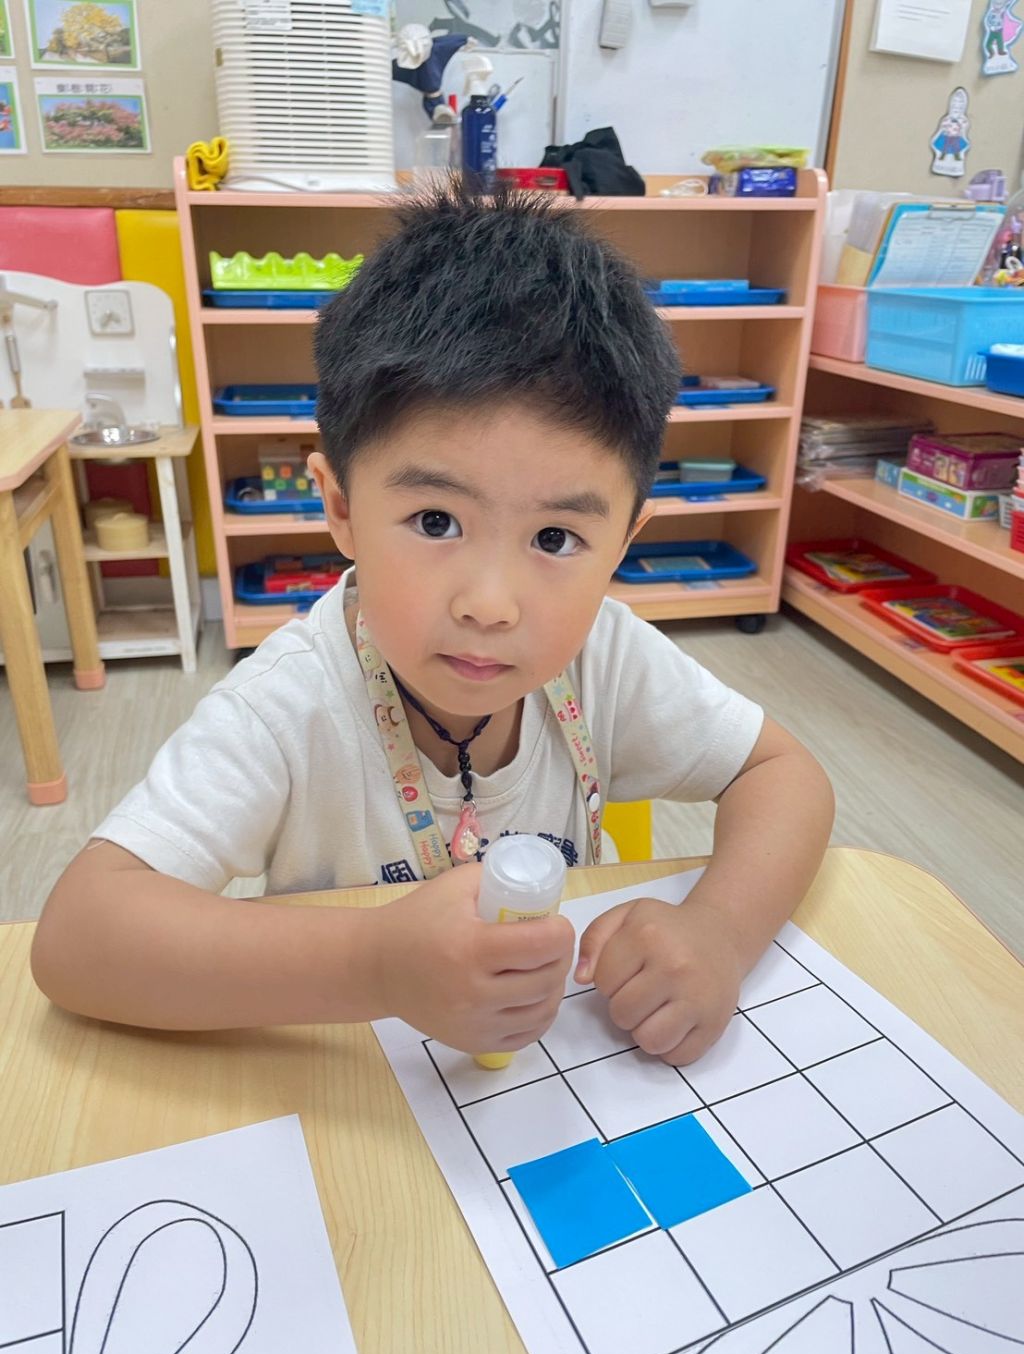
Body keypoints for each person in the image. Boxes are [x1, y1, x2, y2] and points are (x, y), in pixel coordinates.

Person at [33, 184, 833, 1066]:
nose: (490, 602)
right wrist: (371, 963)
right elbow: (77, 938)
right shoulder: (287, 706)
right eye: (436, 520)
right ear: (340, 505)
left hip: (546, 1085)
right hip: (358, 1089)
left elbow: (784, 773)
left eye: (556, 538)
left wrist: (719, 930)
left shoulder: (605, 656)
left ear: (624, 543)